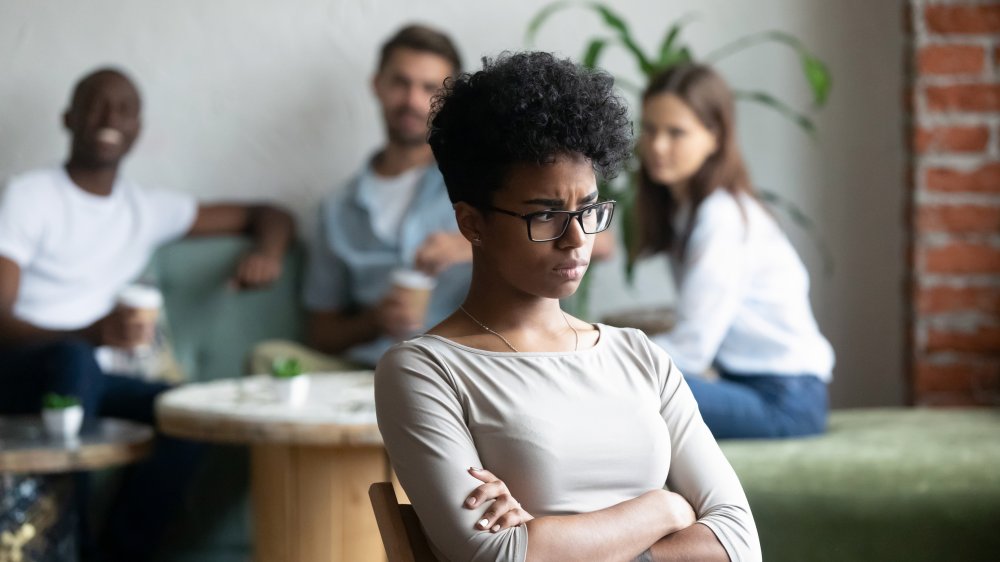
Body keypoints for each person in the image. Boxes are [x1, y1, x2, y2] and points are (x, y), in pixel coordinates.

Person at [375, 52, 760, 562]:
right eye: (545, 215)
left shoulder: (638, 357)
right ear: (472, 223)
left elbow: (738, 542)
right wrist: (665, 510)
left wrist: (548, 538)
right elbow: (499, 556)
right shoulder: (426, 372)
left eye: (589, 209)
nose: (577, 239)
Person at [0, 67, 295, 561]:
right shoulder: (28, 196)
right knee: (75, 360)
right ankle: (66, 547)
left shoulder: (145, 209)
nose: (110, 116)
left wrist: (267, 250)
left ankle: (117, 554)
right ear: (69, 118)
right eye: (95, 103)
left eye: (124, 107)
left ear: (138, 128)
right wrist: (90, 334)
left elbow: (269, 213)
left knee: (186, 413)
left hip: (88, 381)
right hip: (23, 371)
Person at [249, 24, 472, 374]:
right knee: (268, 357)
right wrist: (374, 320)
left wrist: (471, 245)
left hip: (460, 367)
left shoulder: (479, 180)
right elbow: (322, 333)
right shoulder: (337, 208)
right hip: (370, 373)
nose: (413, 100)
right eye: (401, 82)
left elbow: (581, 238)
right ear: (377, 85)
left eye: (429, 88)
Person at [635, 63, 835, 439]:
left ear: (714, 136)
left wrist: (605, 355)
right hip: (750, 386)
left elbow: (692, 349)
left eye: (676, 132)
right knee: (626, 387)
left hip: (786, 401)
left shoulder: (721, 217)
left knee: (627, 389)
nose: (658, 146)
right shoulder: (685, 213)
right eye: (650, 129)